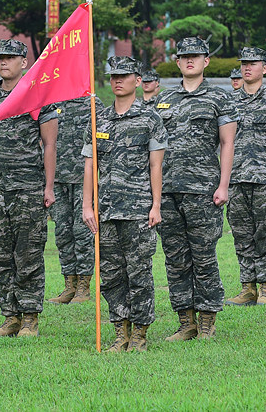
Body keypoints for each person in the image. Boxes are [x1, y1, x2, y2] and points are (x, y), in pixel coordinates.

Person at [81, 56, 167, 352]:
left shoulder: (150, 118)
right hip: (106, 209)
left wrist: (156, 205)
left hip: (139, 208)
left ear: (137, 80)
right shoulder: (98, 119)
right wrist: (87, 206)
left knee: (139, 272)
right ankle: (121, 332)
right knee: (111, 273)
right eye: (113, 76)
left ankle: (141, 334)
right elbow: (90, 165)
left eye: (124, 75)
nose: (117, 80)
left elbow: (156, 166)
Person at [155, 37, 237, 341]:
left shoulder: (219, 98)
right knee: (175, 257)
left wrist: (223, 185)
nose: (190, 60)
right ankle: (185, 319)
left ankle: (206, 319)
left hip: (203, 190)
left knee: (203, 255)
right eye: (184, 56)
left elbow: (227, 143)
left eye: (196, 56)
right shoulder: (164, 99)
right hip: (167, 191)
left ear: (206, 61)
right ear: (177, 62)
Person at [0, 39, 57, 338]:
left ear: (25, 62)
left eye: (11, 57)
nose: (4, 62)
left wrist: (48, 187)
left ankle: (30, 318)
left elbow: (49, 144)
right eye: (1, 57)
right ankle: (10, 315)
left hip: (28, 188)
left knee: (28, 254)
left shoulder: (38, 96)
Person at [225, 47, 266, 307]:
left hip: (264, 177)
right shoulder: (229, 102)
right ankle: (247, 287)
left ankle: (265, 288)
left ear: (264, 68)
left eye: (253, 63)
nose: (247, 68)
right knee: (241, 234)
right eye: (244, 63)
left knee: (264, 232)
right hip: (236, 177)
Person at [48, 91, 102, 305]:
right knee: (62, 232)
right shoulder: (53, 102)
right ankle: (69, 283)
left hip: (83, 179)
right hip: (58, 178)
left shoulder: (92, 102)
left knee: (83, 233)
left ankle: (83, 286)